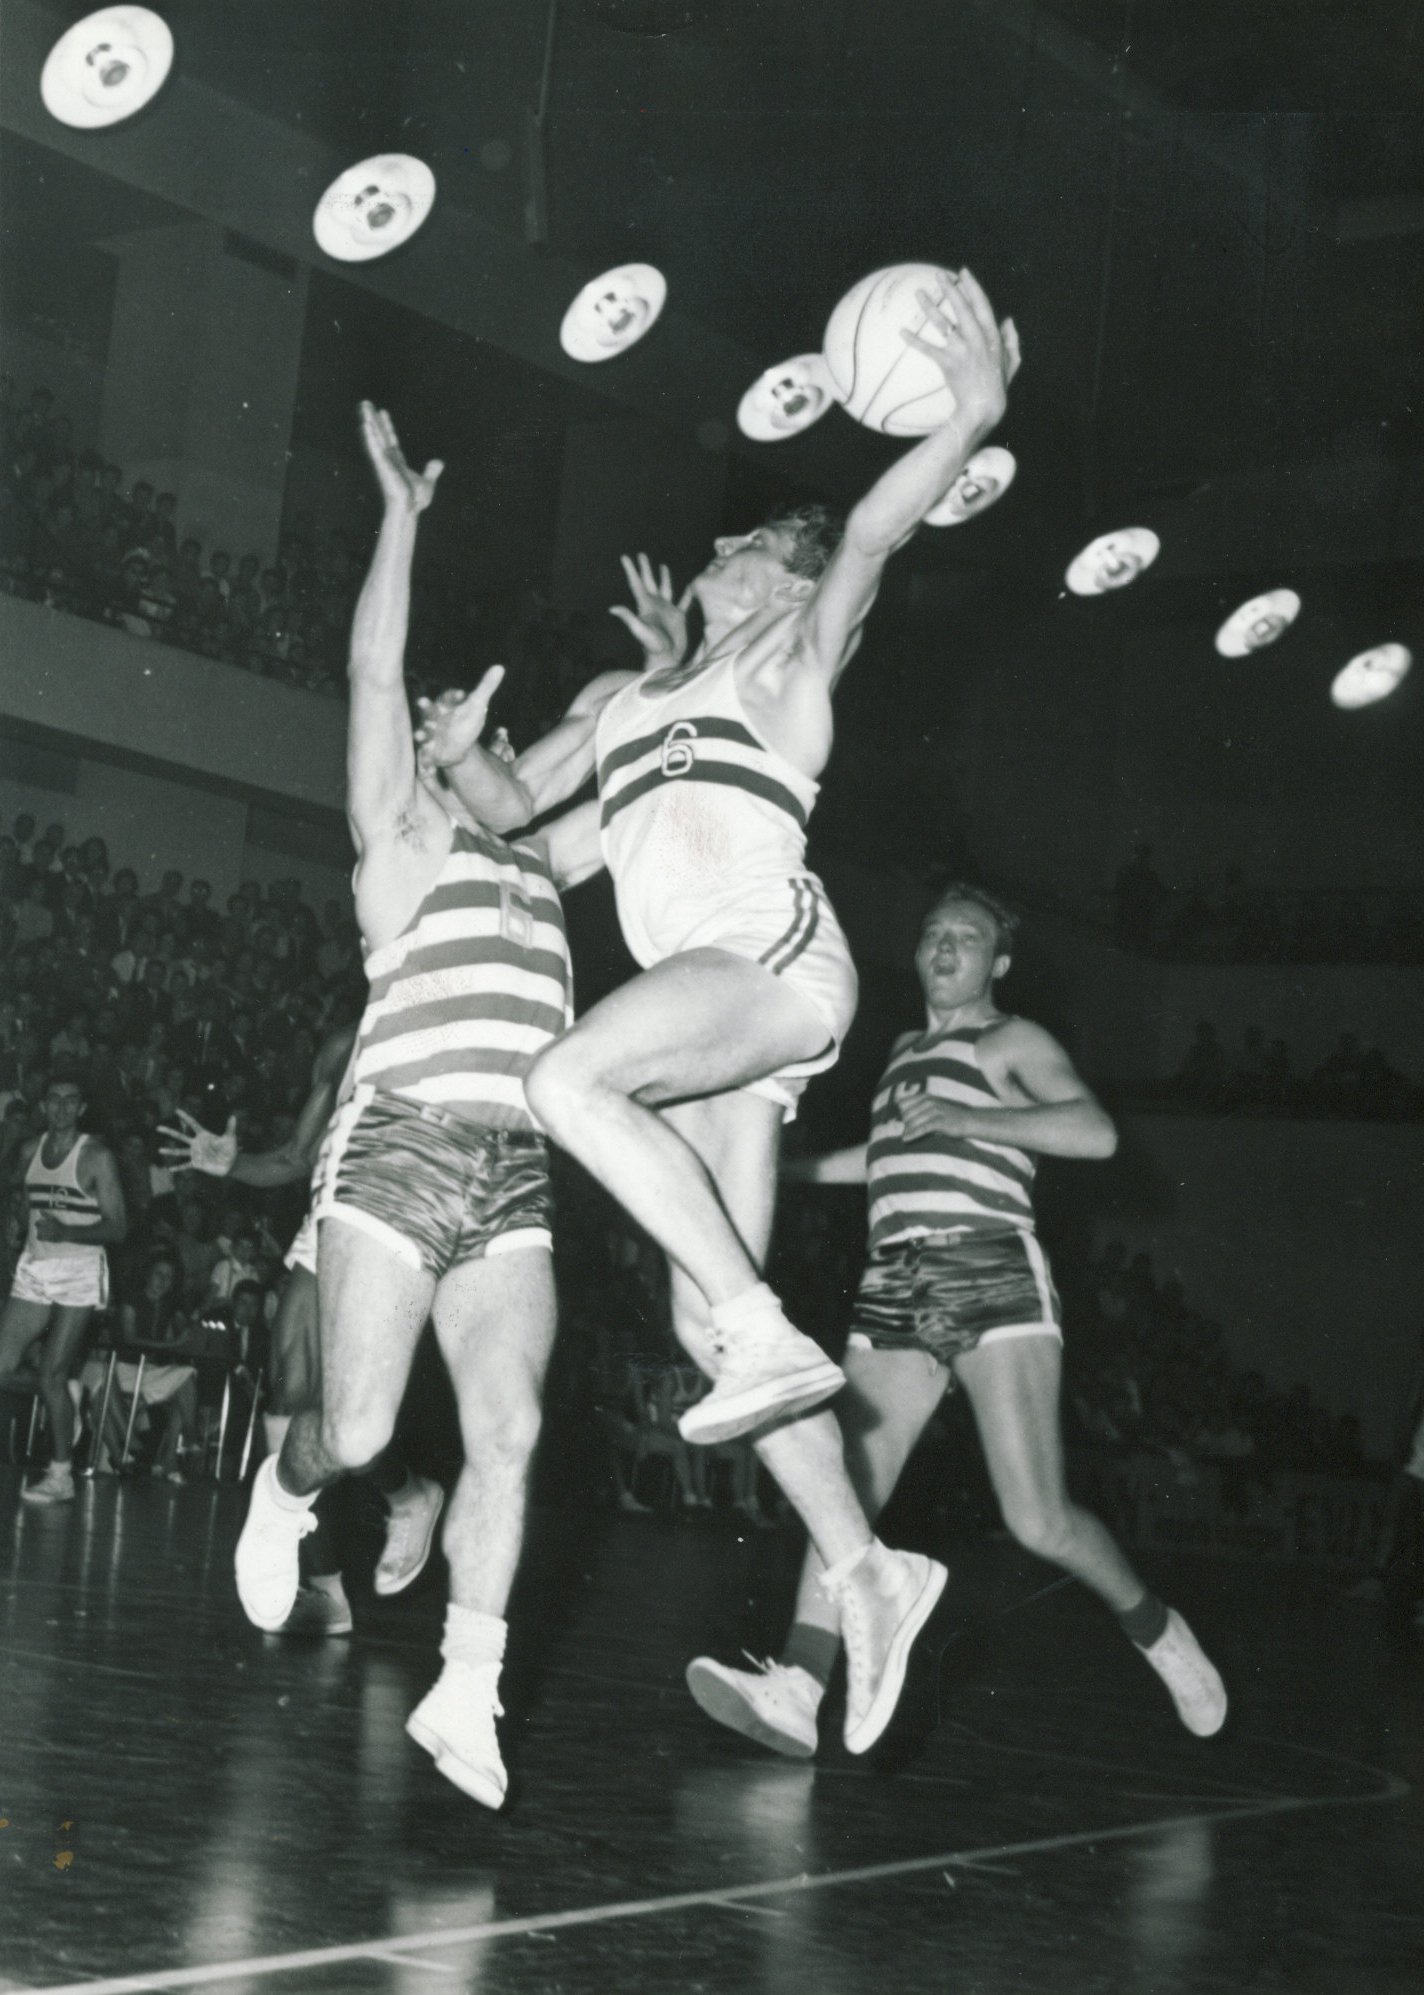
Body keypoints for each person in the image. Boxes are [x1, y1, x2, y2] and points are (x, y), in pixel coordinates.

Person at [426, 268, 1020, 1755]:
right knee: (710, 1322)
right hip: (703, 1017)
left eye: (739, 537)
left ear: (782, 571)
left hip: (770, 964)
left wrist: (976, 413)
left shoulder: (790, 655)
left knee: (568, 1081)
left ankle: (766, 1339)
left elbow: (876, 528)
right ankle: (872, 1571)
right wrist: (458, 760)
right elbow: (534, 834)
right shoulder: (636, 703)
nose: (712, 544)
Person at [227, 403, 601, 1809]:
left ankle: (468, 1686)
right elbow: (373, 666)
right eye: (439, 722)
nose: (448, 723)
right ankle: (285, 1482)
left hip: (515, 1171)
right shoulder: (399, 838)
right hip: (399, 1147)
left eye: (469, 718)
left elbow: (607, 737)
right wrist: (401, 517)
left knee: (509, 1428)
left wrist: (671, 674)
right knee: (364, 1434)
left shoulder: (544, 859)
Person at [683, 885, 1227, 1756]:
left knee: (1037, 1518)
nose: (944, 948)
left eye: (966, 938)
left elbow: (1096, 1133)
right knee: (844, 1495)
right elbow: (890, 1154)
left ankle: (1158, 1629)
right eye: (933, 932)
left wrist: (971, 1115)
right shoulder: (901, 1051)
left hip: (990, 1271)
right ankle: (799, 1683)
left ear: (998, 962)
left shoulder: (1014, 1041)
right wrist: (782, 1168)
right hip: (895, 1279)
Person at [161, 1022, 446, 1636]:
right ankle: (324, 1592)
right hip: (328, 1220)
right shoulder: (343, 1045)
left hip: (403, 1226)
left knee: (350, 1415)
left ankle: (408, 1495)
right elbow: (293, 1158)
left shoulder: (446, 1018)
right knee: (289, 1399)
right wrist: (232, 1164)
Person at [0, 1075, 127, 1503]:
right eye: (53, 1100)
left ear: (82, 1107)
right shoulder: (27, 1150)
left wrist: (67, 1228)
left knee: (52, 1375)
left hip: (78, 1271)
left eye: (70, 1101)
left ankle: (60, 1474)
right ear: (43, 1106)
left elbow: (119, 1227)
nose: (61, 1108)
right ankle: (67, 1406)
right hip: (34, 1268)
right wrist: (17, 1219)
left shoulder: (96, 1156)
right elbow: (18, 1195)